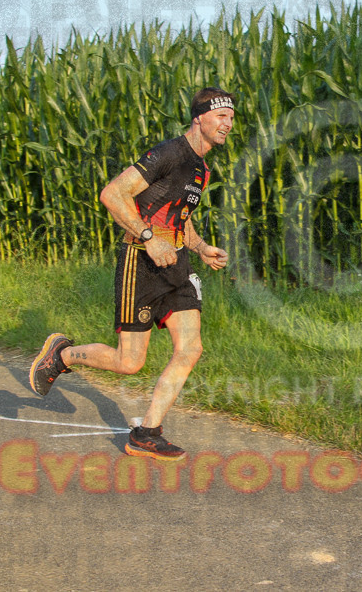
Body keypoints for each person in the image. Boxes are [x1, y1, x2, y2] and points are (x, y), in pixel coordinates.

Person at [28, 87, 234, 461]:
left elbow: (178, 218)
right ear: (199, 118)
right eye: (221, 116)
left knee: (191, 349)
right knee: (129, 362)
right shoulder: (169, 154)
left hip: (177, 266)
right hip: (141, 262)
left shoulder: (202, 169)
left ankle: (146, 432)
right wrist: (149, 238)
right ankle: (64, 355)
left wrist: (202, 249)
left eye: (232, 118)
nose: (228, 124)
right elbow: (113, 194)